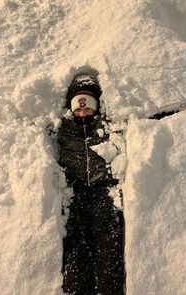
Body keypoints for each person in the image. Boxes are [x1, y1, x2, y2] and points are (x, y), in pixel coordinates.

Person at [57, 73, 125, 295]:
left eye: (87, 109)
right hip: (75, 195)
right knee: (76, 254)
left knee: (107, 252)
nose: (82, 113)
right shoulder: (65, 130)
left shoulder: (106, 127)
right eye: (78, 109)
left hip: (103, 194)